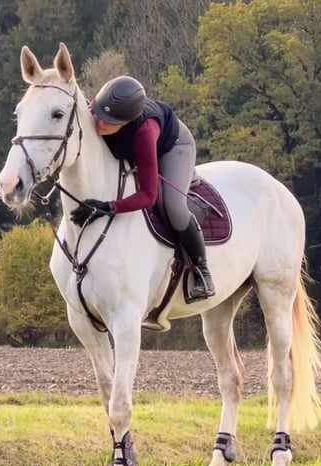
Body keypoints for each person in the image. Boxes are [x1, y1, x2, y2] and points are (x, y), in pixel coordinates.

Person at [70, 75, 215, 300]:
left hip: (172, 147)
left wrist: (108, 206)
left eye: (108, 121)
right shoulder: (97, 113)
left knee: (173, 206)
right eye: (99, 114)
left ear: (126, 122)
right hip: (136, 148)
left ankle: (201, 270)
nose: (99, 124)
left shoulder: (144, 133)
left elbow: (148, 195)